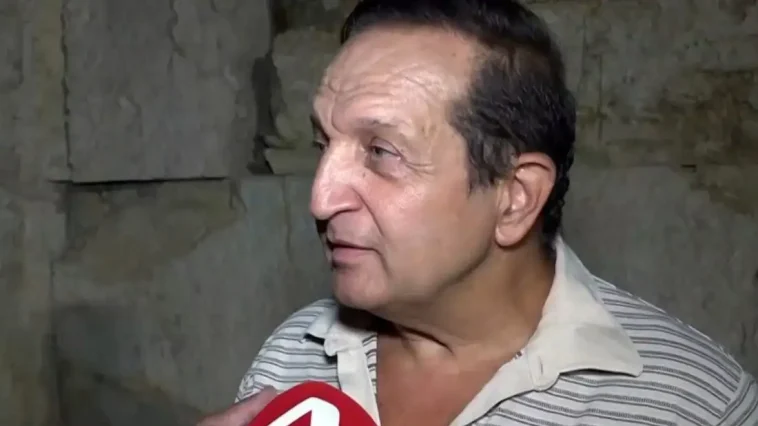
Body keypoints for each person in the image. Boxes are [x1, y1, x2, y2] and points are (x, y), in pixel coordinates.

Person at [199, 0, 758, 425]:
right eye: (324, 144)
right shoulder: (291, 359)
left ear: (516, 197)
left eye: (382, 152)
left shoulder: (692, 404)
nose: (321, 199)